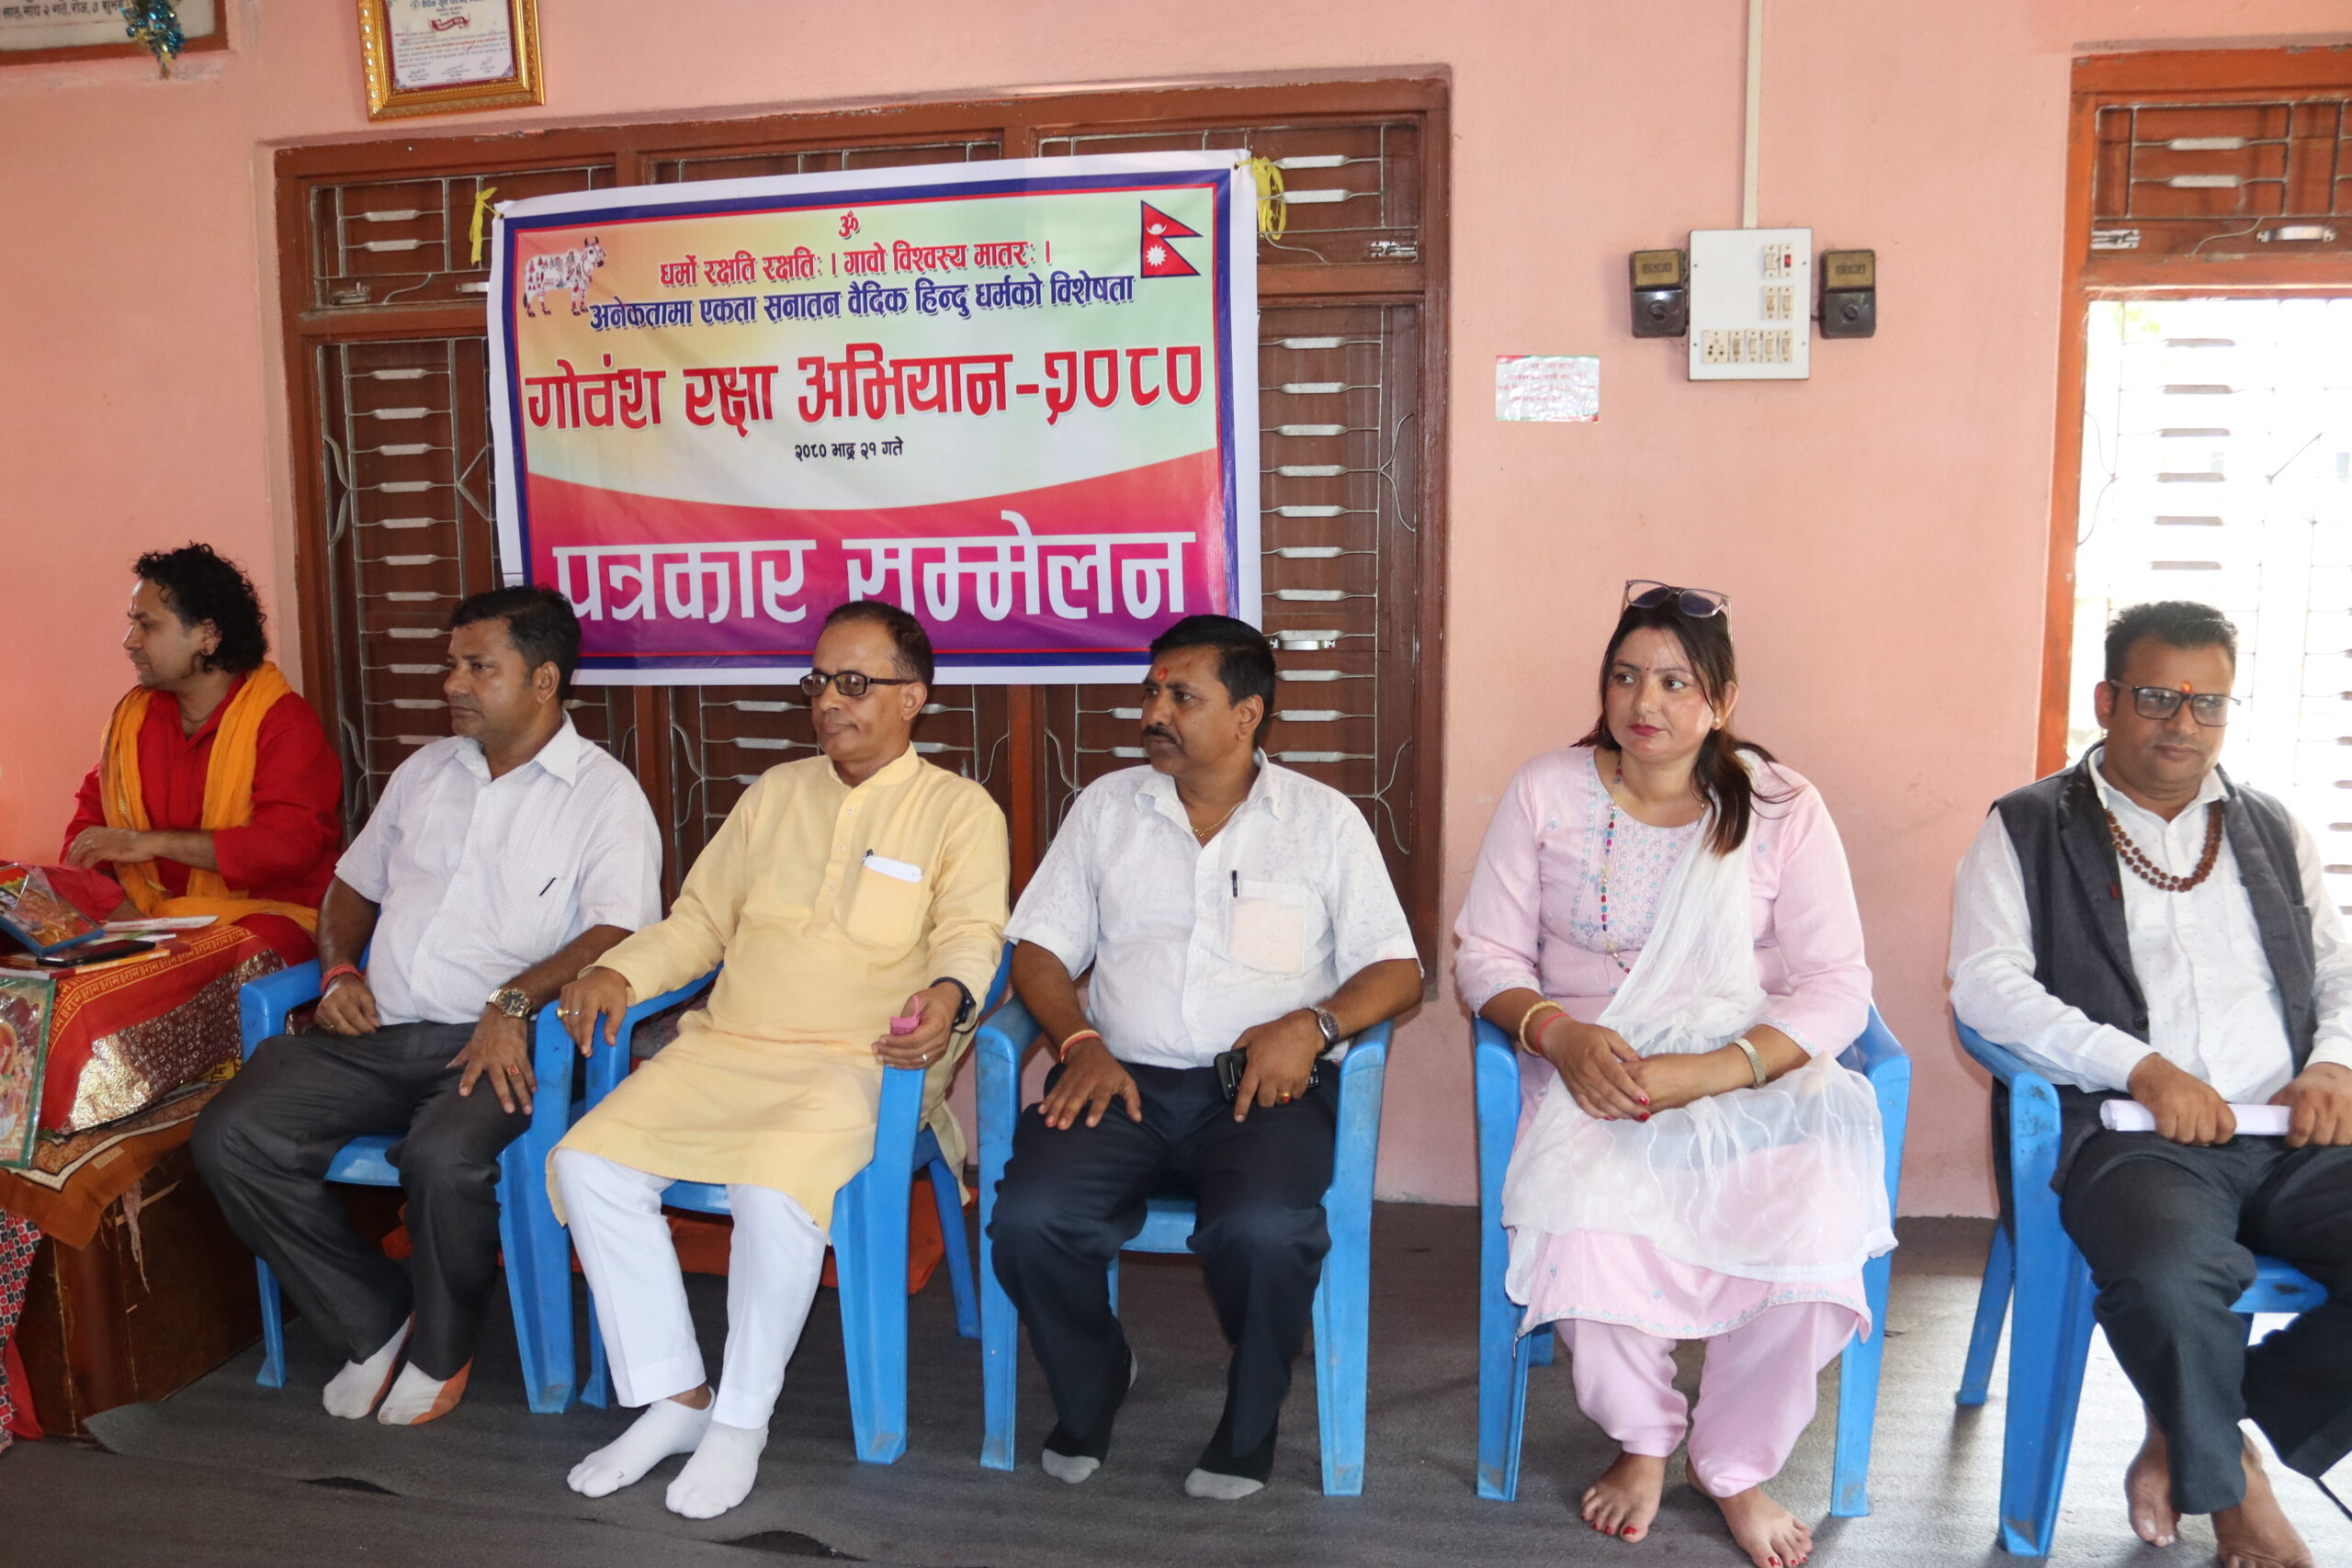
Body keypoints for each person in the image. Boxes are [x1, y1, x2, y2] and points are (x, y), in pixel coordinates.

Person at [1455, 581, 1890, 1568]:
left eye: (1673, 682)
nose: (1643, 703)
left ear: (1721, 700)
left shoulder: (1782, 806)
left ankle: (1733, 1461)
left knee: (1813, 1232)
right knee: (1589, 1228)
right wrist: (1556, 1038)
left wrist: (1719, 1070)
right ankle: (1644, 1439)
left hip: (1749, 1071)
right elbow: (1483, 955)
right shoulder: (1545, 791)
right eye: (1623, 676)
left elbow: (1835, 986)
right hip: (1593, 1070)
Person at [551, 600, 1008, 1520]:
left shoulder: (957, 811)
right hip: (728, 1051)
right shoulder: (774, 794)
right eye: (817, 681)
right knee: (587, 1162)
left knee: (773, 1188)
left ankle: (741, 1421)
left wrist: (950, 1000)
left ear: (913, 697)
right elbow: (699, 925)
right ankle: (678, 1397)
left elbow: (970, 936)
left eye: (855, 683)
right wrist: (615, 971)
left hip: (859, 1064)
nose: (828, 702)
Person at [191, 586, 660, 1427]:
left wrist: (515, 1000)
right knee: (233, 1133)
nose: (453, 683)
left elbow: (620, 932)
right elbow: (350, 888)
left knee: (442, 1158)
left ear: (544, 679)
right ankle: (373, 1318)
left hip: (504, 1044)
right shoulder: (423, 774)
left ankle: (442, 1349)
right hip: (378, 1032)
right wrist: (337, 972)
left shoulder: (603, 795)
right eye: (452, 664)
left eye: (480, 667)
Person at [1950, 600, 2352, 1568]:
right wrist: (2139, 1064)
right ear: (2107, 699)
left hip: (2293, 1131)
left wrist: (2333, 1057)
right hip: (2135, 1135)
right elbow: (1986, 988)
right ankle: (2235, 1486)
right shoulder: (2025, 826)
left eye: (2206, 702)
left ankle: (2194, 1423)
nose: (2182, 724)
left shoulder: (2270, 825)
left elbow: (2338, 966)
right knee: (2170, 1279)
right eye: (2157, 697)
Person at [989, 614, 1422, 1500]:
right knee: (1030, 1219)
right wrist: (1078, 1041)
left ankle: (1251, 1415)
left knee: (1262, 1231)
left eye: (1182, 696)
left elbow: (1398, 969)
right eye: (1152, 690)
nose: (1155, 710)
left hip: (1261, 1091)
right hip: (1121, 1078)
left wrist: (1320, 1025)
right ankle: (1095, 1375)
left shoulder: (1321, 821)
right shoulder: (1106, 808)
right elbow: (1038, 948)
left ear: (1248, 714)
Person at [55, 544, 342, 964]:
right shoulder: (134, 722)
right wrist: (116, 910)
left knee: (224, 956)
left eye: (146, 625)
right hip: (142, 920)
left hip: (264, 921)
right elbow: (87, 836)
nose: (129, 642)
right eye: (132, 624)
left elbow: (286, 846)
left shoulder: (282, 722)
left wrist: (148, 844)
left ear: (207, 635)